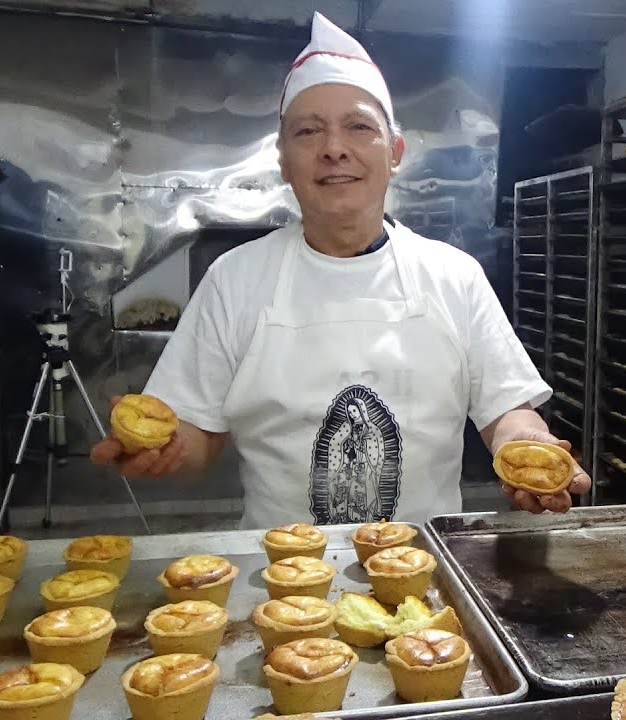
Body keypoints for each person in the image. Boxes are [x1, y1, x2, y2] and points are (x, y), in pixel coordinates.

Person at [91, 12, 590, 529]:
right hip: (281, 581)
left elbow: (506, 410)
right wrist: (167, 449)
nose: (334, 149)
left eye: (358, 126)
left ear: (394, 153)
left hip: (424, 570)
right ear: (284, 161)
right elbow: (201, 437)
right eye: (308, 131)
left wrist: (526, 444)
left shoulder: (453, 276)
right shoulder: (234, 279)